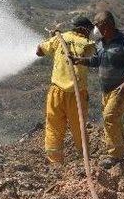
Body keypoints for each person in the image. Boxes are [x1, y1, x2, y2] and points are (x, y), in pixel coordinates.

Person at [71, 11, 124, 169]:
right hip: (106, 90)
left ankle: (115, 155)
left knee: (109, 117)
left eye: (97, 24)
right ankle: (122, 148)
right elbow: (96, 60)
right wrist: (80, 60)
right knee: (114, 118)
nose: (94, 28)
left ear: (107, 25)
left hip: (121, 87)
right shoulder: (101, 42)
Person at [36, 16, 96, 164]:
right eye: (89, 30)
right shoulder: (88, 44)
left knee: (54, 126)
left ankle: (55, 162)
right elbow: (96, 57)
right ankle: (85, 160)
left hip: (57, 92)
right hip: (77, 94)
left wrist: (54, 39)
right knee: (79, 127)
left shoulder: (60, 38)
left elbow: (39, 51)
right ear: (84, 29)